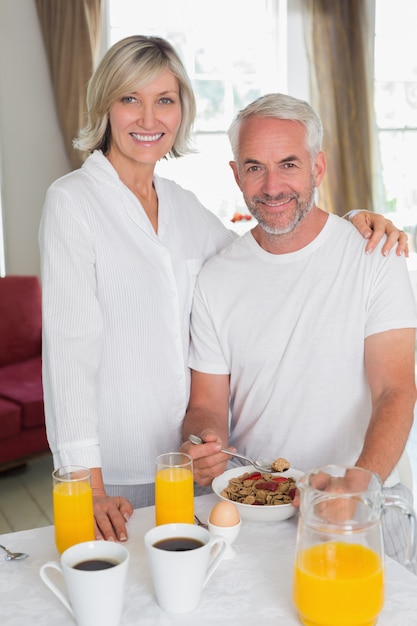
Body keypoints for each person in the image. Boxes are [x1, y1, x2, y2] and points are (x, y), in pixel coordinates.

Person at [39, 36, 406, 544]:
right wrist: (87, 484)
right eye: (130, 99)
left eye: (164, 100)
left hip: (185, 470)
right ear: (105, 104)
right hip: (110, 468)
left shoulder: (181, 204)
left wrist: (349, 227)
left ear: (181, 111)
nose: (149, 119)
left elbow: (269, 240)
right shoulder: (72, 202)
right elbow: (68, 352)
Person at [181, 93, 417, 570]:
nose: (271, 186)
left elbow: (397, 389)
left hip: (367, 499)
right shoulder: (216, 277)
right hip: (256, 504)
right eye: (254, 167)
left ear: (318, 167)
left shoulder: (375, 255)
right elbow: (205, 404)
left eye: (288, 164)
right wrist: (200, 442)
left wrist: (358, 483)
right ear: (235, 174)